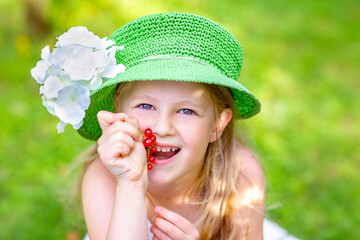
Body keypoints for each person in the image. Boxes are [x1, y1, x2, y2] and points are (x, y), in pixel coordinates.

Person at [76, 12, 265, 239]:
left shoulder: (241, 175)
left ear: (217, 125)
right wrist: (131, 185)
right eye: (146, 106)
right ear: (119, 110)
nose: (163, 128)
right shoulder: (104, 175)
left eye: (187, 111)